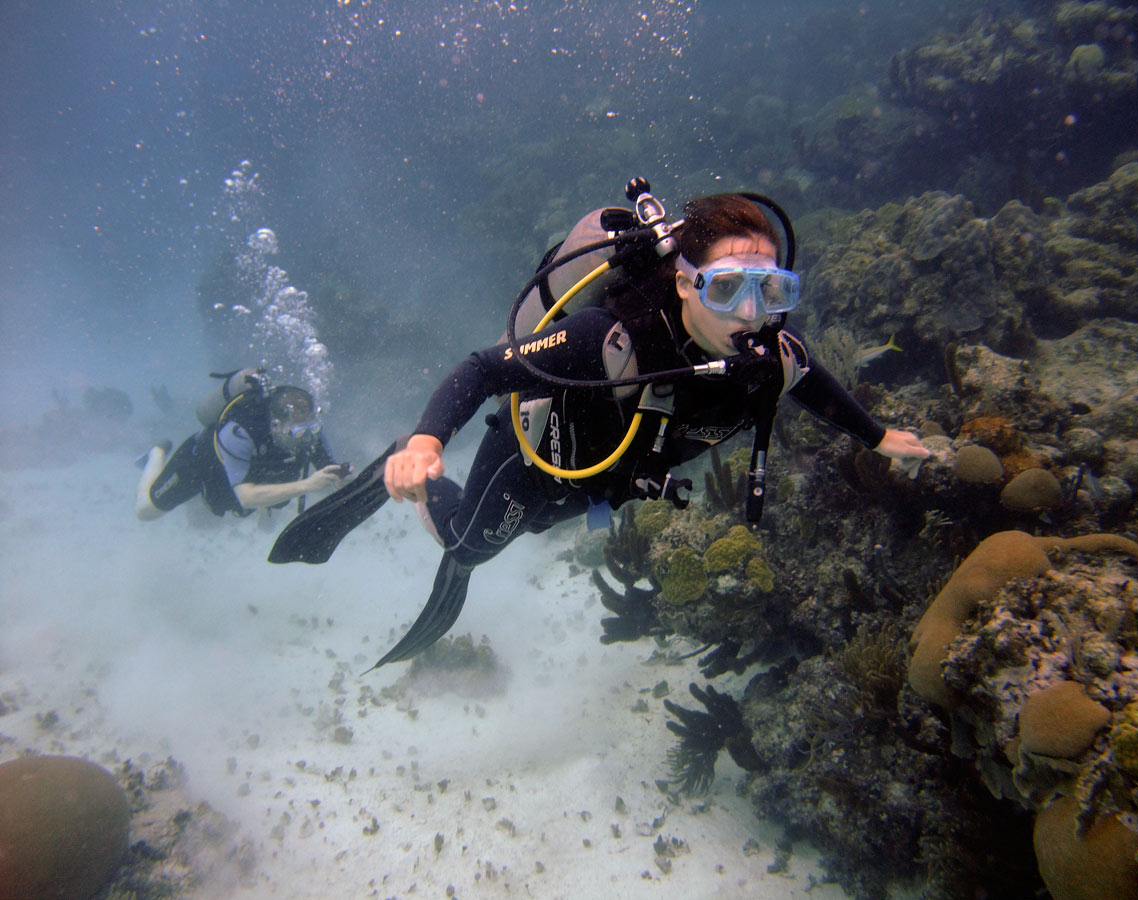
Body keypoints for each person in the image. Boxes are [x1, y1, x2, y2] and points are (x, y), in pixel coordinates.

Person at [273, 191, 929, 669]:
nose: (753, 314)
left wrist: (877, 438)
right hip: (534, 459)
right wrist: (426, 441)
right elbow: (482, 369)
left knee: (527, 531)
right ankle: (403, 476)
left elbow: (813, 383)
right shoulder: (607, 339)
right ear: (683, 282)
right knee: (466, 544)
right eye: (729, 290)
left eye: (772, 290)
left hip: (603, 483)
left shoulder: (771, 357)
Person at [135, 369, 347, 521]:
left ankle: (264, 510)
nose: (307, 437)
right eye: (299, 432)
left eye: (313, 429)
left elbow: (332, 472)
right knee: (146, 512)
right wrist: (308, 485)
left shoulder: (309, 429)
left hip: (252, 473)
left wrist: (343, 478)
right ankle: (156, 453)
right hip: (199, 466)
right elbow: (246, 497)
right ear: (276, 424)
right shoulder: (240, 432)